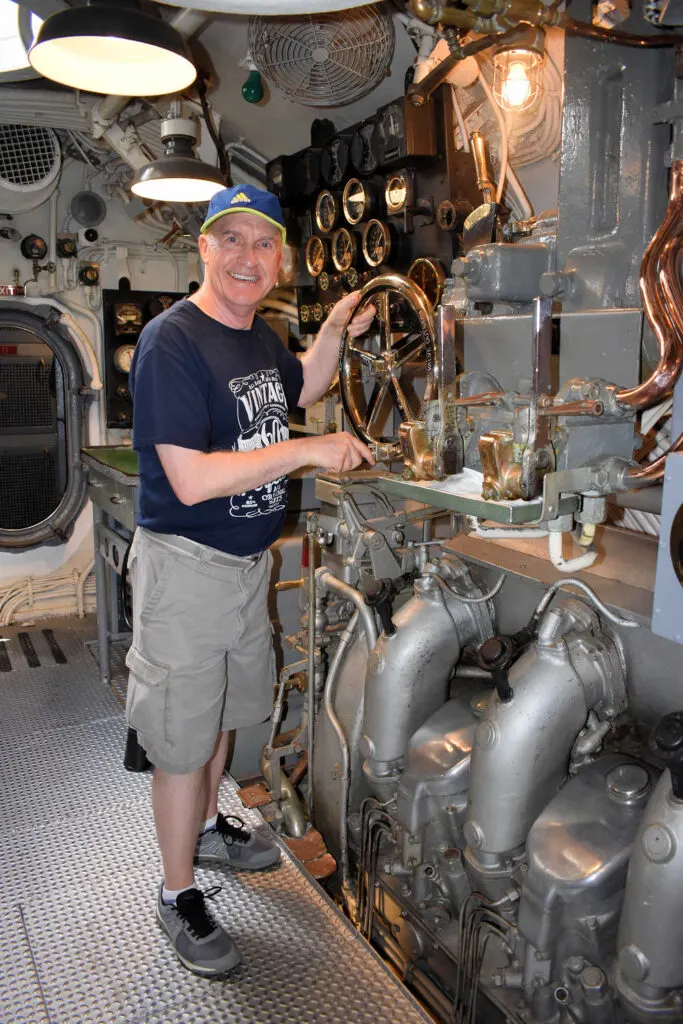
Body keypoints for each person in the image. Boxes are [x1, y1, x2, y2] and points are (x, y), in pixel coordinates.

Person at [126, 183, 375, 979]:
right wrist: (307, 451)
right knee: (179, 739)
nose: (245, 256)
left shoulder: (258, 333)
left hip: (242, 569)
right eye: (227, 239)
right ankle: (175, 895)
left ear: (278, 258)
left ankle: (206, 830)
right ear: (202, 248)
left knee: (227, 716)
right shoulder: (173, 341)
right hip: (186, 569)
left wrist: (333, 329)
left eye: (260, 242)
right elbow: (193, 479)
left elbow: (301, 387)